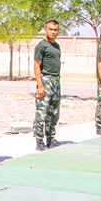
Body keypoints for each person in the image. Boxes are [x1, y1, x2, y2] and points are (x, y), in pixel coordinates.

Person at [33, 20, 63, 151]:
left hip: (56, 81)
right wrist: (40, 85)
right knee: (42, 112)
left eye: (55, 30)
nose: (53, 32)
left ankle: (51, 138)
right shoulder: (41, 46)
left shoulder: (57, 46)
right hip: (46, 80)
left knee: (54, 112)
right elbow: (36, 65)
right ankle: (39, 140)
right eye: (51, 29)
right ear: (45, 29)